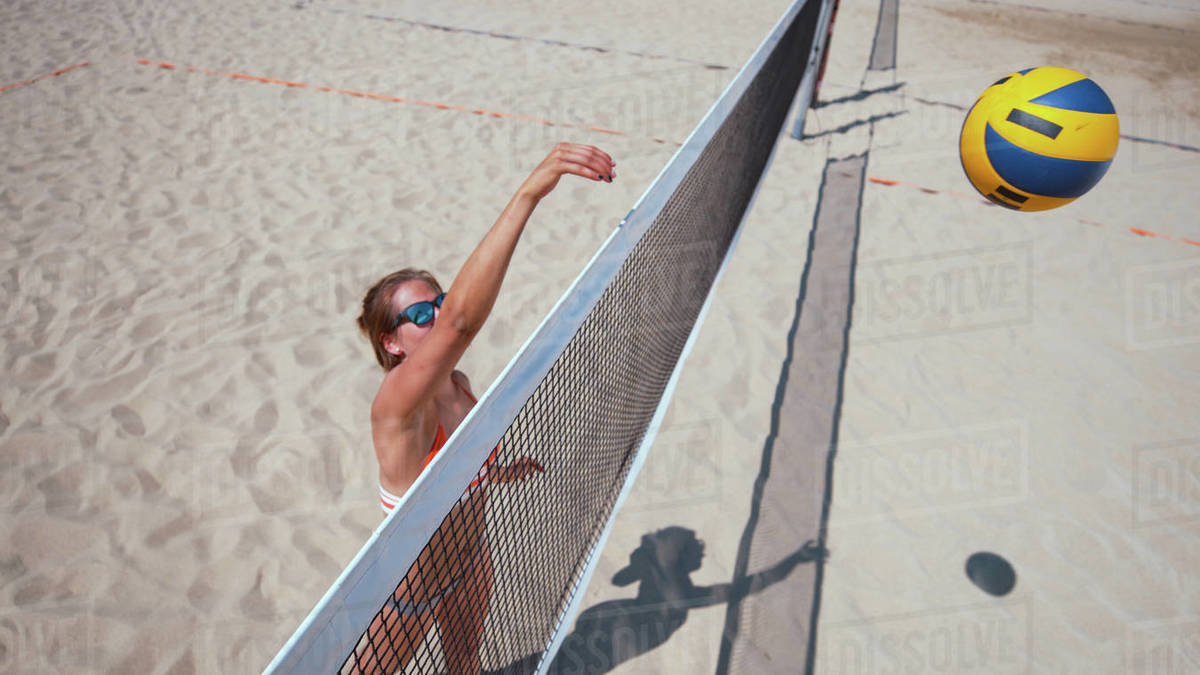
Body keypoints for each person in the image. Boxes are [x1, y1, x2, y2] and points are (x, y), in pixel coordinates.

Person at [349, 143, 617, 674]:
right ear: (392, 343)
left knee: (466, 662)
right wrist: (529, 193)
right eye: (419, 314)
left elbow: (453, 463)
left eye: (440, 301)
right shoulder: (397, 405)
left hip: (471, 557)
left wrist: (498, 471)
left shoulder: (457, 383)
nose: (438, 315)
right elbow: (462, 325)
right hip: (411, 586)